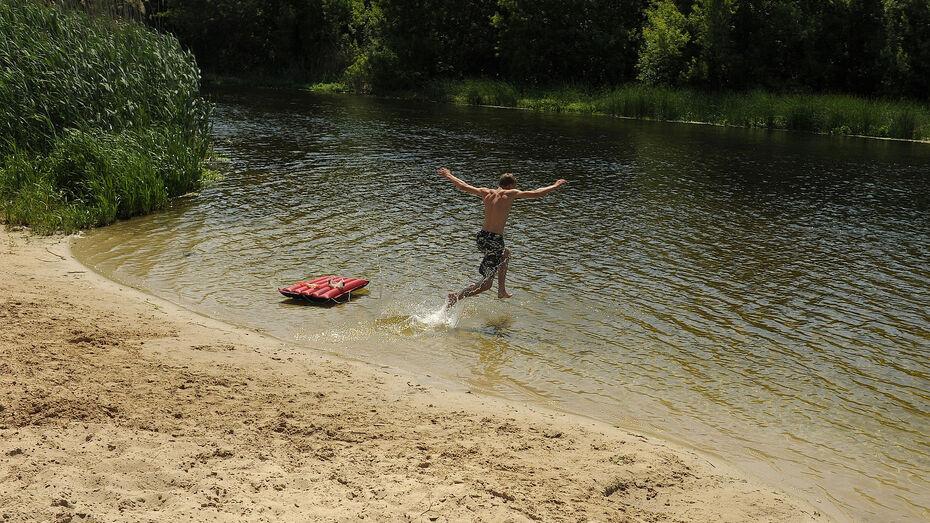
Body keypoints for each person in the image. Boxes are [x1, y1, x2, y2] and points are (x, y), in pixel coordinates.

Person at [438, 167, 567, 307]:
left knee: (505, 254)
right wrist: (556, 185)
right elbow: (537, 193)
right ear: (510, 185)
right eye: (515, 186)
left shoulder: (485, 192)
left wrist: (448, 175)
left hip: (481, 237)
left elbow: (463, 186)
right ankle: (456, 297)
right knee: (486, 284)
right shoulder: (511, 193)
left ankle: (501, 290)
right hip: (494, 240)